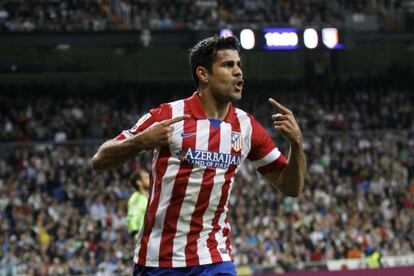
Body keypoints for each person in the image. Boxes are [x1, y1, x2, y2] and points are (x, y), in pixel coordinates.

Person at [92, 35, 306, 275]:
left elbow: (291, 188)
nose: (238, 72)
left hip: (214, 257)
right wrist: (142, 141)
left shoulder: (247, 127)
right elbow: (100, 159)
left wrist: (296, 144)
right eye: (228, 65)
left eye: (239, 65)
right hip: (160, 260)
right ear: (203, 74)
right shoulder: (168, 115)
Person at [127, 169, 150, 238]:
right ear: (139, 182)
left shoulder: (151, 196)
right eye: (146, 178)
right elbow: (131, 217)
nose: (150, 179)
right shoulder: (135, 198)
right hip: (143, 238)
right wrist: (135, 234)